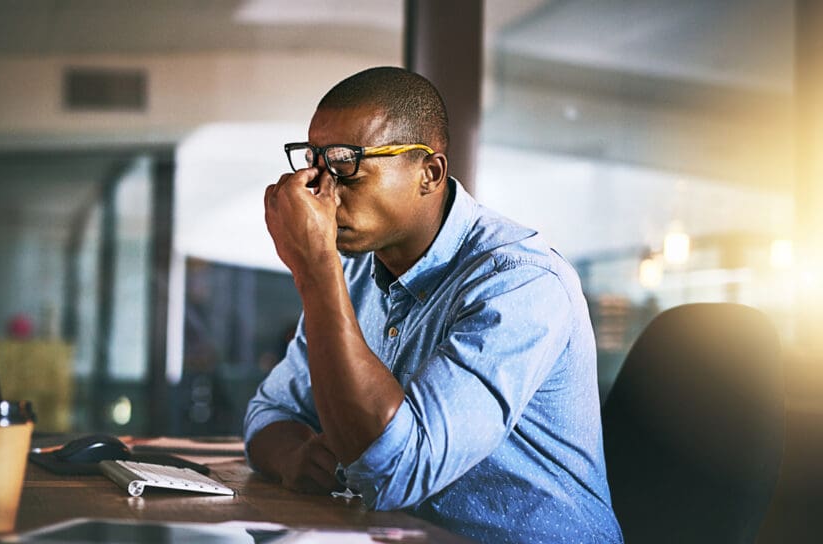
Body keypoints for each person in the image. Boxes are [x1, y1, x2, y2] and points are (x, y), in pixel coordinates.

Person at [244, 66, 622, 543]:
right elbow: (270, 411)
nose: (321, 191)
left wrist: (315, 268)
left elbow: (395, 470)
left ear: (430, 173)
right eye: (315, 163)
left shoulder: (521, 284)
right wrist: (295, 456)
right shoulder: (359, 272)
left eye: (346, 164)